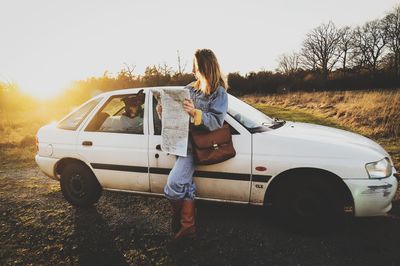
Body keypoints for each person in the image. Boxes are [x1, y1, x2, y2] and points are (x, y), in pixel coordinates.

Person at [157, 49, 228, 241]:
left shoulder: (218, 93)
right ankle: (188, 226)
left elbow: (216, 121)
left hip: (198, 147)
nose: (192, 70)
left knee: (173, 186)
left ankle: (178, 217)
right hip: (180, 143)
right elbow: (175, 116)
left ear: (204, 68)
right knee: (186, 185)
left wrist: (195, 113)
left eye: (195, 67)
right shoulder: (189, 88)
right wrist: (163, 110)